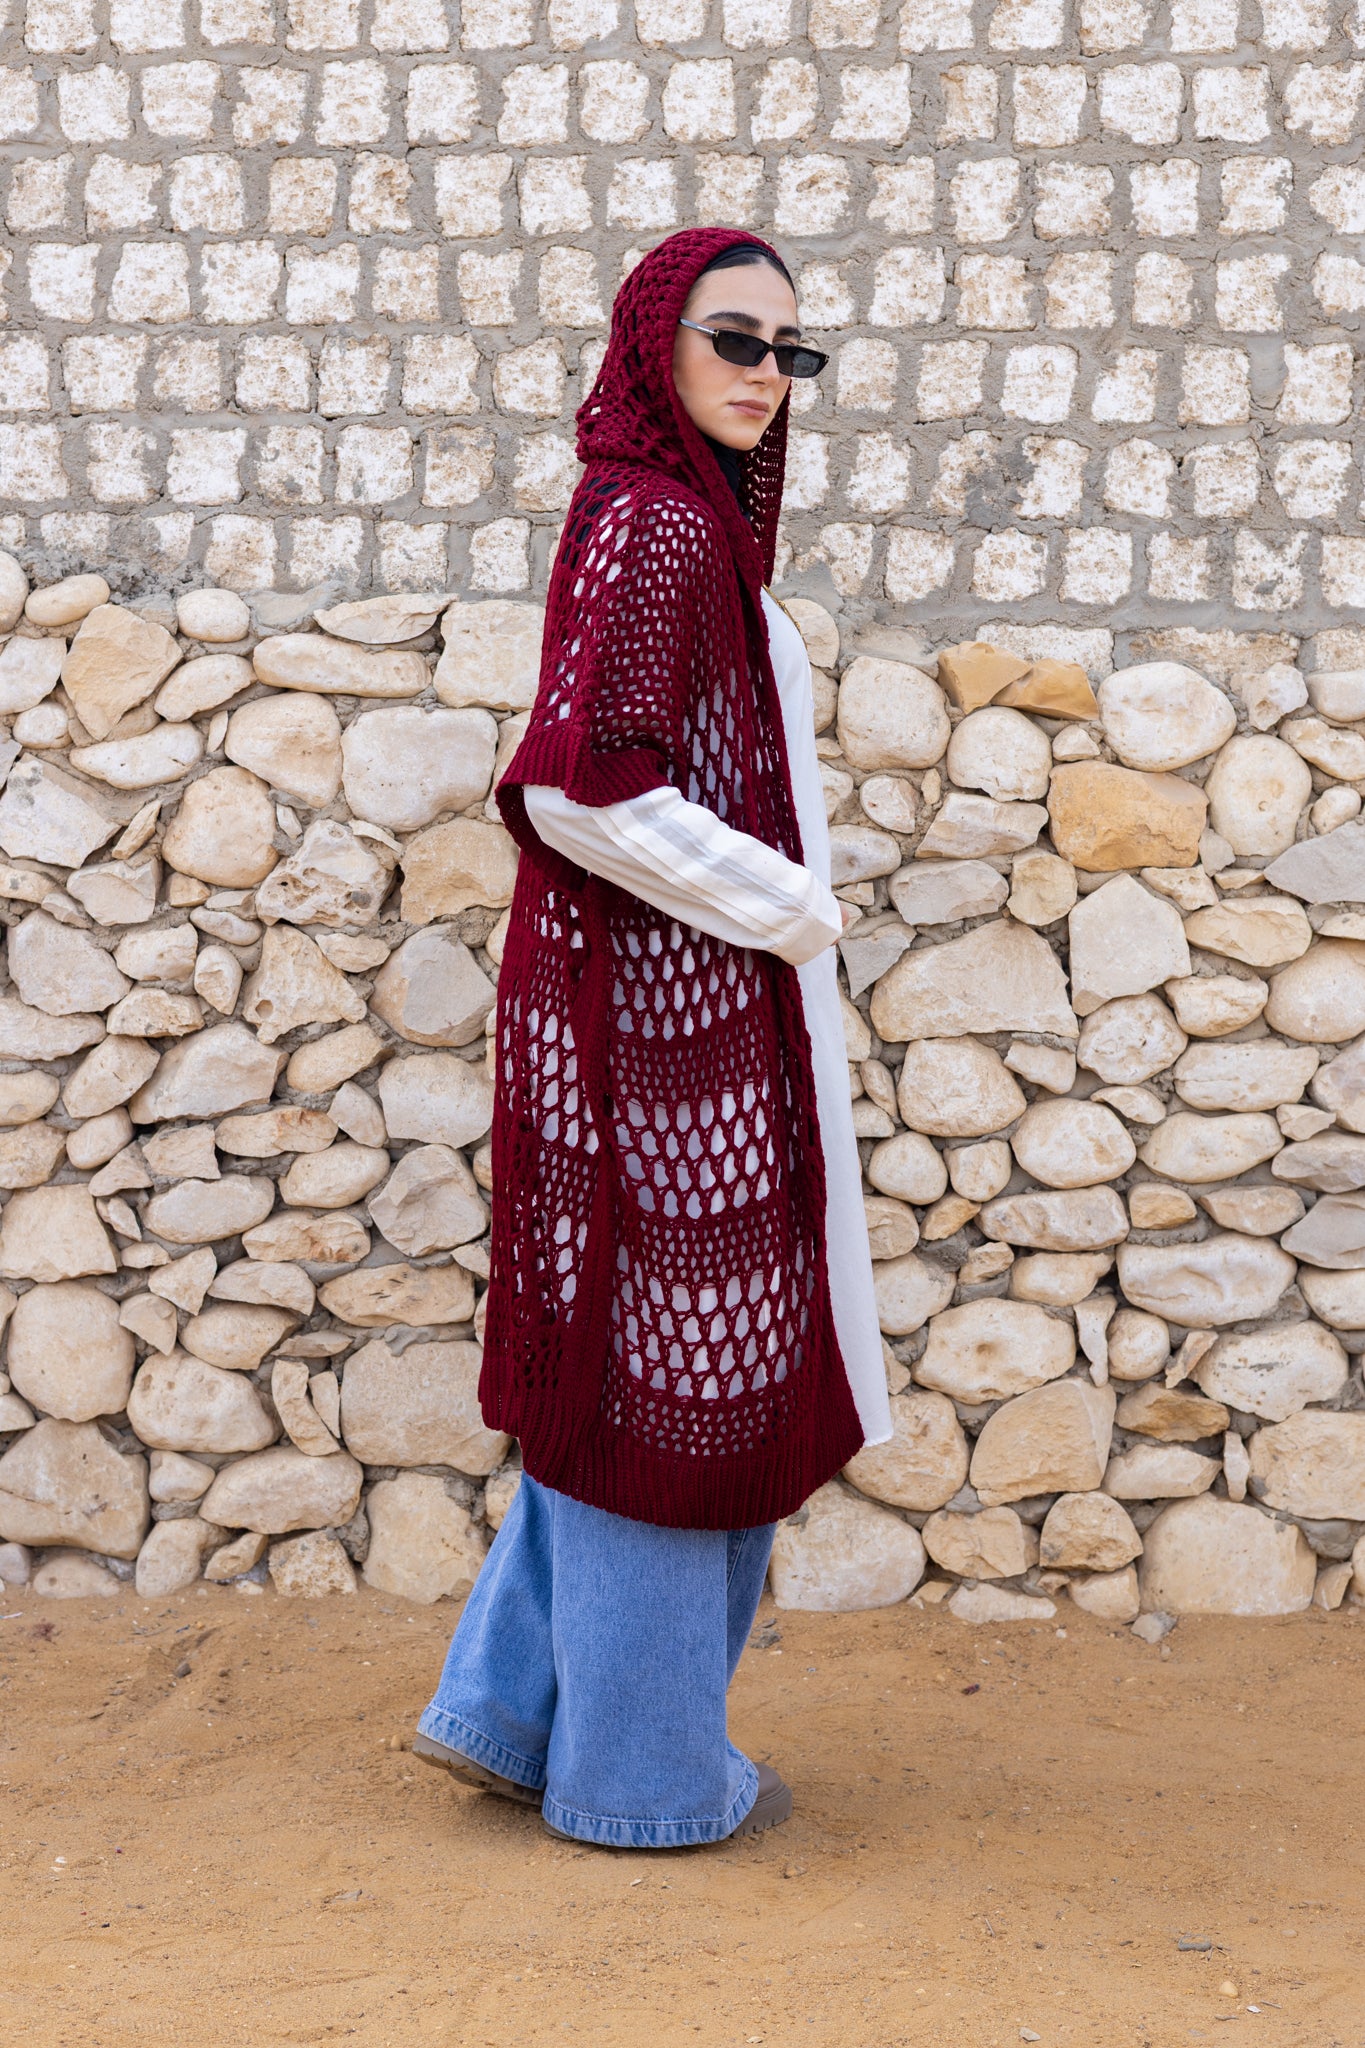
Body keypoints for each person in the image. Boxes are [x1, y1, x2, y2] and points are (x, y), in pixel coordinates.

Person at [412, 226, 891, 1851]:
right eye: (731, 338)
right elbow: (581, 788)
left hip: (661, 1004)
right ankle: (644, 1782)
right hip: (663, 1019)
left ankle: (505, 1713)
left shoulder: (668, 519)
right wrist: (790, 907)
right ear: (651, 343)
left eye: (788, 351)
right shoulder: (660, 522)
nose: (765, 374)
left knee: (635, 1358)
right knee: (692, 1385)